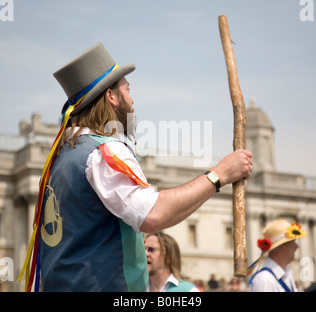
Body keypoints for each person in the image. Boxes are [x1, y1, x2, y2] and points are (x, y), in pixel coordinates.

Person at [20, 42, 252, 292]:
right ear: (111, 96)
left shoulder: (62, 158)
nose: (132, 100)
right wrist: (219, 175)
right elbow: (153, 214)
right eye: (127, 90)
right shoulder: (103, 151)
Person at [249, 219, 307, 292]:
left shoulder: (286, 274)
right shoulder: (265, 280)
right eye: (293, 242)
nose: (296, 246)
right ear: (283, 246)